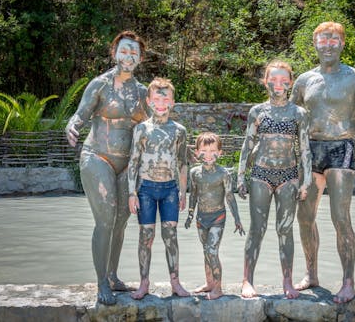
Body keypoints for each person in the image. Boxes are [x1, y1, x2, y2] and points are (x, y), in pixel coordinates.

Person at [290, 21, 355, 303]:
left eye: (334, 39)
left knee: (340, 218)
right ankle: (311, 273)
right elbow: (290, 117)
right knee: (304, 217)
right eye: (322, 39)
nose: (328, 44)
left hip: (342, 147)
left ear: (342, 44)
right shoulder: (304, 80)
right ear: (315, 44)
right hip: (310, 150)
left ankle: (348, 281)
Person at [65, 31, 148, 305]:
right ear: (114, 53)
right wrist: (73, 124)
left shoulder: (143, 92)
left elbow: (153, 126)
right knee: (105, 219)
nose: (129, 56)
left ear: (140, 57)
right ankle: (101, 283)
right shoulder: (100, 84)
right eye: (124, 50)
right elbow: (81, 114)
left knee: (122, 221)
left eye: (134, 52)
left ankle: (112, 275)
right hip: (97, 156)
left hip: (128, 164)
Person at [237, 60, 312, 299]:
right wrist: (241, 176)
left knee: (285, 229)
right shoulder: (257, 112)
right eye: (273, 79)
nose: (277, 84)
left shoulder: (299, 113)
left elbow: (305, 149)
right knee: (256, 229)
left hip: (288, 177)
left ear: (290, 83)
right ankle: (247, 280)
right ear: (266, 81)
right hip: (261, 174)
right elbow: (247, 146)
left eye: (283, 80)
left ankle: (287, 282)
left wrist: (306, 181)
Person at [127, 77, 190, 299]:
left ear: (172, 102)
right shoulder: (142, 129)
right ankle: (144, 283)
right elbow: (133, 161)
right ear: (149, 101)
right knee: (146, 235)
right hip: (145, 188)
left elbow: (183, 163)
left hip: (170, 190)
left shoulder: (179, 130)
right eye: (156, 99)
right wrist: (131, 193)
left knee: (170, 235)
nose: (161, 103)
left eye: (165, 99)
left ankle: (175, 282)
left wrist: (183, 192)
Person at [185, 132, 245, 300]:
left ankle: (218, 288)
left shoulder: (223, 173)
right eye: (204, 151)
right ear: (196, 152)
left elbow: (230, 197)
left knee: (212, 251)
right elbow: (193, 195)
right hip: (200, 218)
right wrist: (190, 214)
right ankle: (209, 283)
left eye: (213, 151)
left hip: (218, 217)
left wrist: (237, 219)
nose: (209, 155)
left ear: (220, 153)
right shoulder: (194, 172)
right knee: (206, 252)